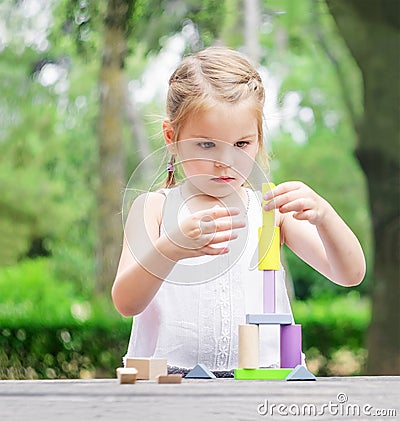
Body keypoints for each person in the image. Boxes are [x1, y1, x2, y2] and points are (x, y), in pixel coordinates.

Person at [111, 46, 366, 376]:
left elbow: (349, 273)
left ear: (258, 139)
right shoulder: (153, 209)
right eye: (206, 144)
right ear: (172, 137)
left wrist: (325, 215)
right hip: (170, 384)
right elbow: (126, 302)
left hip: (266, 380)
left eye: (242, 144)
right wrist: (170, 248)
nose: (226, 162)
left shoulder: (271, 210)